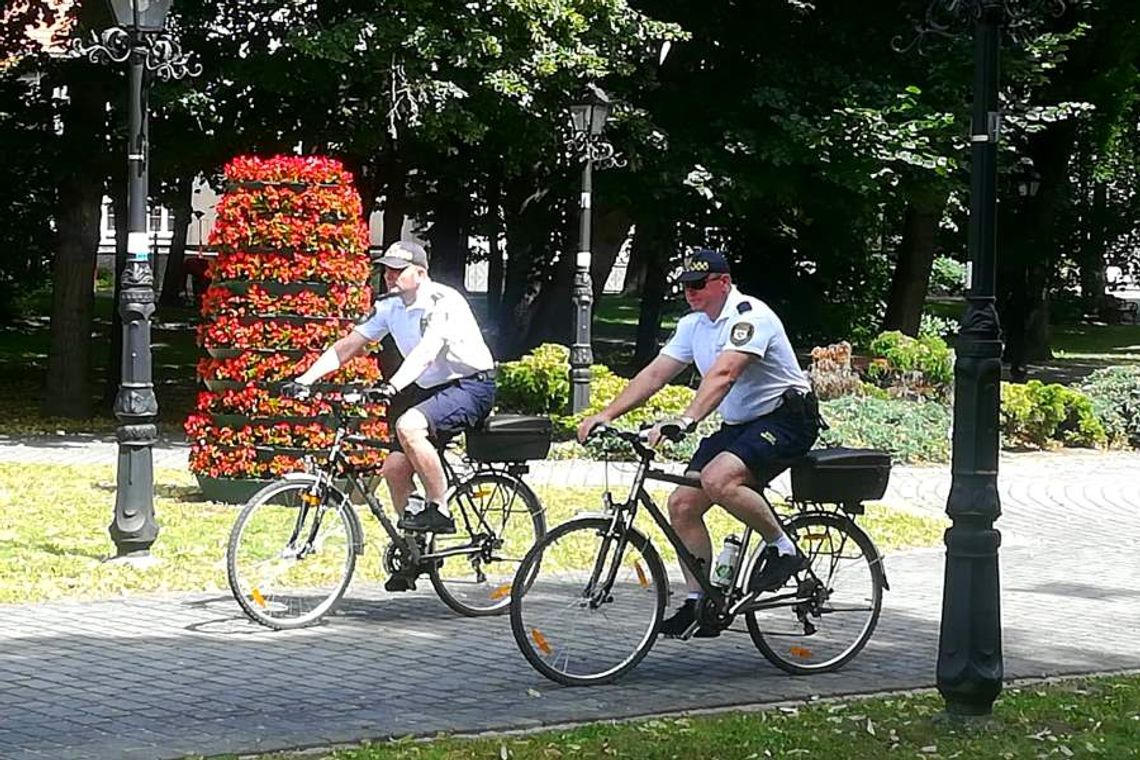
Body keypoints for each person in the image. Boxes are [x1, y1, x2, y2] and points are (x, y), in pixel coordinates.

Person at [577, 249, 820, 638]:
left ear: (723, 282)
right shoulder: (694, 326)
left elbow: (724, 374)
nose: (690, 293)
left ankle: (784, 548)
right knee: (683, 503)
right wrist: (607, 414)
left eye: (698, 285)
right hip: (742, 422)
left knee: (718, 479)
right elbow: (655, 374)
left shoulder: (749, 317)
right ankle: (697, 602)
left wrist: (686, 420)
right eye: (685, 286)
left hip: (787, 418)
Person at [285, 240, 496, 590]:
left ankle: (440, 508)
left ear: (421, 273)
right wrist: (304, 379)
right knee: (394, 469)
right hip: (431, 388)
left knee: (408, 426)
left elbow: (428, 352)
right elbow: (349, 345)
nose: (389, 276)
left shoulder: (444, 302)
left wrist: (392, 385)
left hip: (471, 385)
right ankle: (415, 554)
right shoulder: (390, 307)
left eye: (399, 270)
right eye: (386, 269)